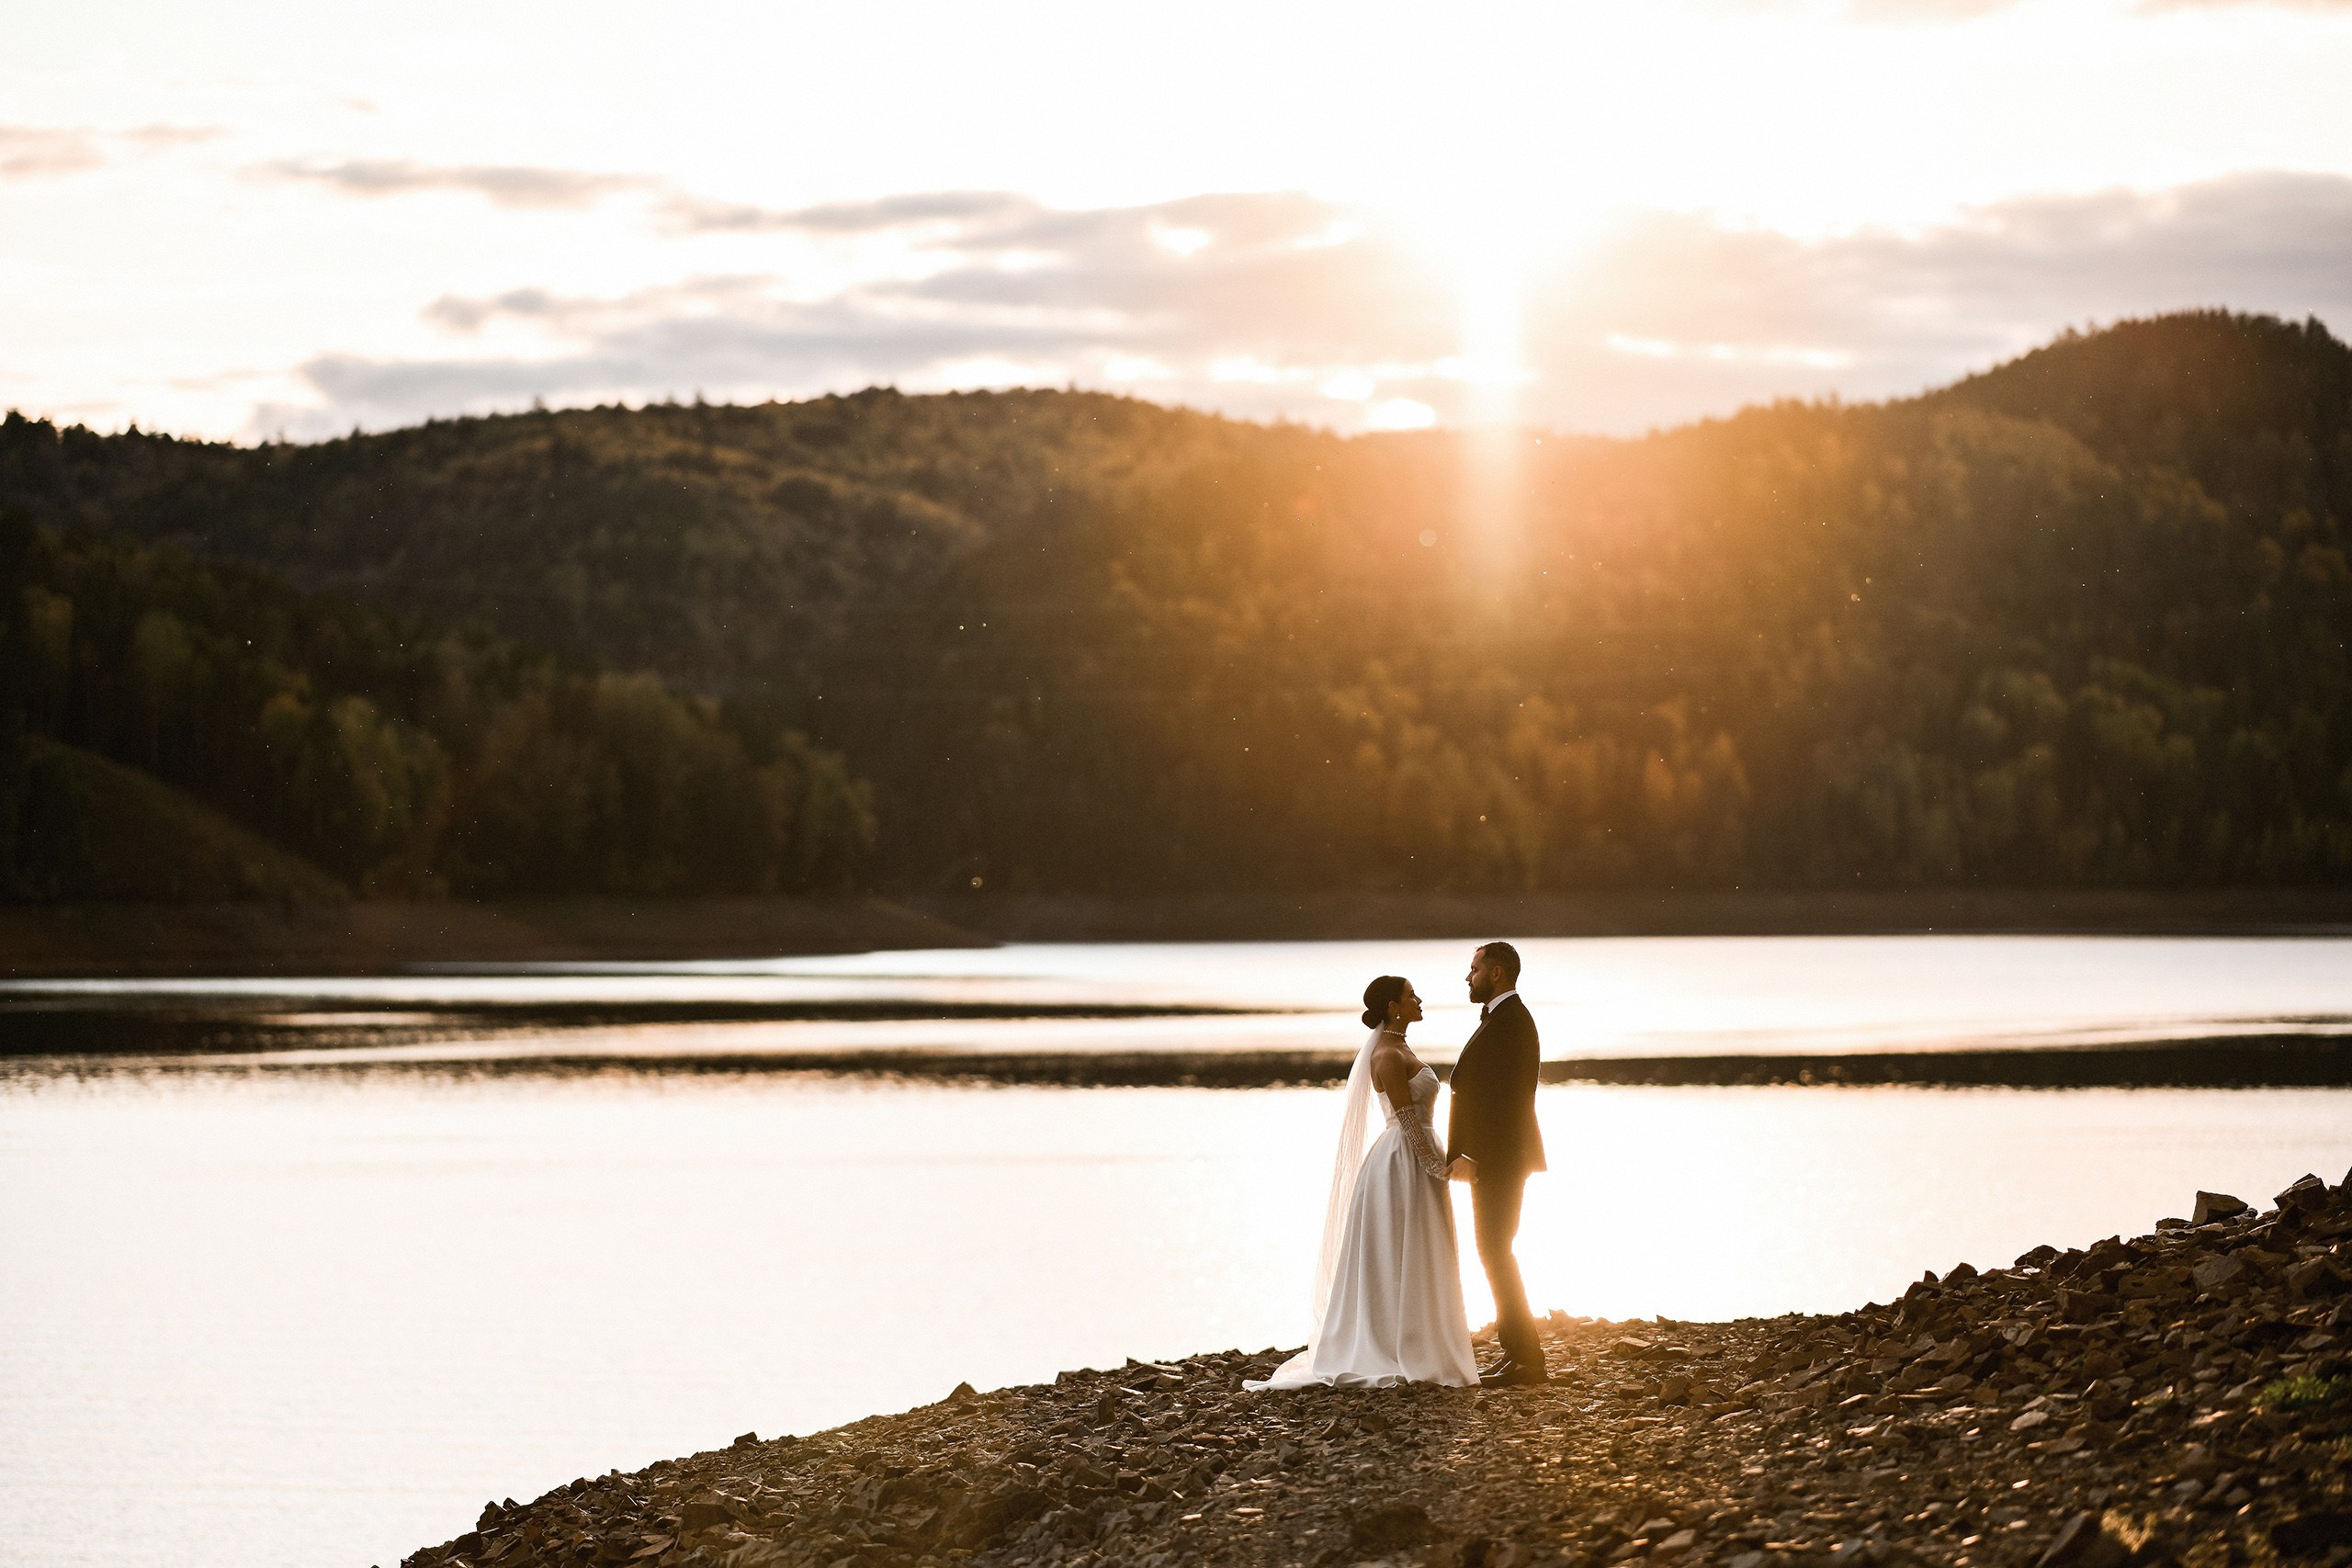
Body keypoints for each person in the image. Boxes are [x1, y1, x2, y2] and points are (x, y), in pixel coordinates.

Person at [1245, 975, 1480, 1390]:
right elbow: (1406, 1116)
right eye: (1411, 995)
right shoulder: (1387, 1055)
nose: (1419, 1000)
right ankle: (1395, 1343)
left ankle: (1421, 1335)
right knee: (1398, 1247)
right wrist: (1433, 1165)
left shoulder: (1401, 1047)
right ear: (1393, 1006)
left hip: (1417, 1151)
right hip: (1402, 1160)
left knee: (1423, 1245)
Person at [1450, 940, 1549, 1387]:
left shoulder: (1512, 1022)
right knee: (1495, 1249)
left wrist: (1473, 1154)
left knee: (1496, 1249)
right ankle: (1519, 1353)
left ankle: (1527, 1358)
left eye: (1473, 969)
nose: (1467, 977)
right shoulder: (1501, 1019)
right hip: (1498, 1156)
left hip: (1501, 1158)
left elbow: (1507, 1099)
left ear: (1497, 973)